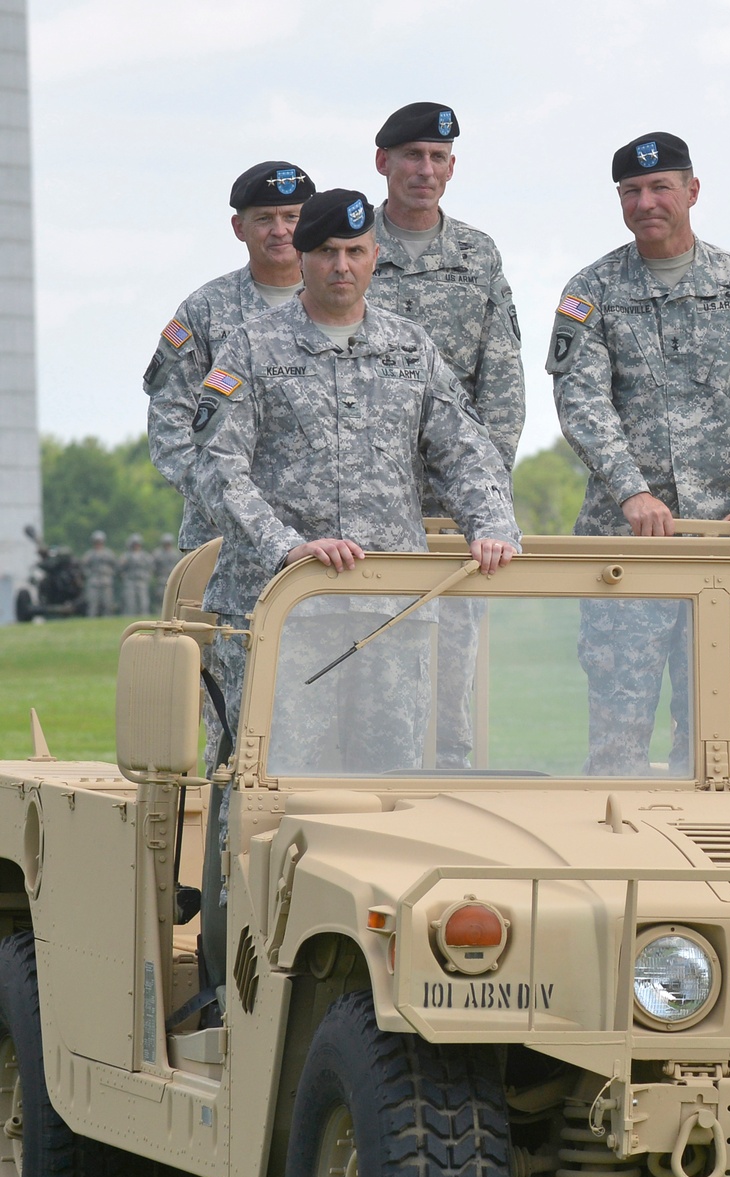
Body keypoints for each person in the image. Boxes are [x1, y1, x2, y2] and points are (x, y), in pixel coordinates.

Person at [192, 187, 521, 769]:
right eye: (325, 252)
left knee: (391, 781)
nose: (340, 266)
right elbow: (218, 468)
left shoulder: (410, 347)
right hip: (280, 607)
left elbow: (463, 449)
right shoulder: (250, 348)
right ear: (301, 257)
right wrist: (286, 546)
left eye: (354, 251)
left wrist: (490, 523)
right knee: (269, 778)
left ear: (374, 257)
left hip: (388, 608)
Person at [547, 130, 730, 774]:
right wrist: (632, 489)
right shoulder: (593, 289)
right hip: (626, 549)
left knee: (714, 746)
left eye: (661, 187)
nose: (646, 202)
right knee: (617, 740)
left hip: (728, 543)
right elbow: (581, 401)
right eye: (630, 191)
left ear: (692, 190)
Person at [370, 102, 525, 767]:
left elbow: (503, 384)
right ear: (384, 163)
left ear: (451, 168)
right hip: (364, 509)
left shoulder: (477, 254)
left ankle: (449, 798)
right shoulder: (346, 248)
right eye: (412, 155)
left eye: (437, 158)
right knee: (366, 669)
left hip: (453, 514)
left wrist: (481, 496)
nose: (424, 170)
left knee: (449, 678)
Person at [143, 160, 317, 552]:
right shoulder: (203, 311)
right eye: (264, 219)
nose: (280, 230)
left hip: (326, 540)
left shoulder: (349, 306)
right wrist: (231, 504)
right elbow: (170, 427)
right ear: (239, 228)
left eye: (292, 216)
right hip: (223, 541)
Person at [81, 530, 117, 616]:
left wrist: (111, 573)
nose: (98, 544)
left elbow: (115, 565)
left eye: (100, 542)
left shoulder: (108, 554)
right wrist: (88, 574)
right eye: (96, 542)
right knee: (93, 604)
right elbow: (83, 566)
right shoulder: (89, 554)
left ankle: (108, 620)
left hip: (106, 581)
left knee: (107, 603)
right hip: (94, 581)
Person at [119, 533, 154, 615]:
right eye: (134, 544)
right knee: (130, 601)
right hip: (130, 581)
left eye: (137, 544)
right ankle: (130, 617)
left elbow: (151, 567)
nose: (136, 546)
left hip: (141, 580)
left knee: (143, 601)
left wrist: (148, 576)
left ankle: (144, 616)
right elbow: (120, 568)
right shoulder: (126, 556)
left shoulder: (145, 556)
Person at [152, 532, 181, 608]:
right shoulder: (157, 554)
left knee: (173, 596)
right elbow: (153, 567)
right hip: (161, 578)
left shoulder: (176, 554)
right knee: (160, 596)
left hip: (173, 578)